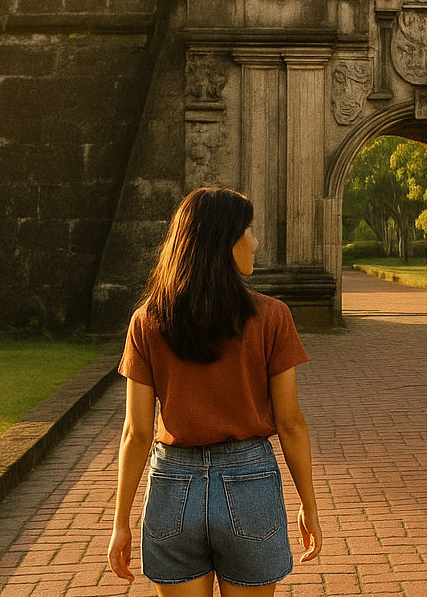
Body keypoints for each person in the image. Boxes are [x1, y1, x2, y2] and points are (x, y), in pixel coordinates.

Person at [108, 186, 322, 596]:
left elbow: (135, 433)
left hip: (172, 486)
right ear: (225, 240)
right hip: (250, 482)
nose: (255, 242)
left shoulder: (147, 321)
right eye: (249, 231)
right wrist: (308, 506)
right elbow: (290, 423)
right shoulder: (272, 317)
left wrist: (121, 522)